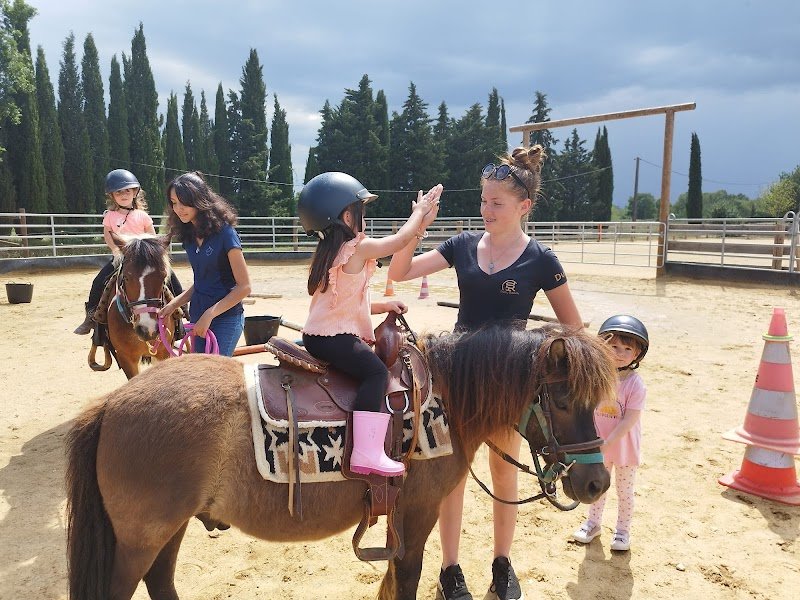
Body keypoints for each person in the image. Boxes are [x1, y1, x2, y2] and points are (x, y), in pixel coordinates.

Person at [388, 145, 583, 600]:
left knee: (503, 472)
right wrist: (418, 225)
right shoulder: (461, 246)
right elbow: (398, 270)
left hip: (506, 385)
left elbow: (572, 327)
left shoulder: (541, 259)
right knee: (450, 478)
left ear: (524, 207)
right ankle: (450, 570)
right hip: (455, 382)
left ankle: (501, 564)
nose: (486, 209)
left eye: (497, 202)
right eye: (483, 201)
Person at [298, 171, 442, 477]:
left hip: (321, 335)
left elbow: (346, 304)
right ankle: (365, 452)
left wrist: (384, 305)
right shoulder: (357, 248)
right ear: (348, 216)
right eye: (361, 211)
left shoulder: (331, 253)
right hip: (333, 337)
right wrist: (418, 214)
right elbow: (399, 240)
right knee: (375, 373)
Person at [572, 314, 648, 553]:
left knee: (624, 492)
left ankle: (623, 531)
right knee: (597, 486)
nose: (619, 352)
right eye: (613, 346)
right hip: (597, 446)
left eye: (627, 348)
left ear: (636, 355)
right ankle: (593, 524)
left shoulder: (636, 385)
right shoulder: (596, 377)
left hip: (622, 448)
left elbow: (629, 420)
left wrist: (607, 443)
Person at [74, 169, 183, 335]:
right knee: (99, 281)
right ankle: (91, 316)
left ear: (135, 192)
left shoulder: (142, 216)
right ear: (112, 196)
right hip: (122, 256)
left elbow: (152, 236)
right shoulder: (110, 216)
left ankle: (182, 309)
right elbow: (108, 235)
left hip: (143, 258)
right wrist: (116, 252)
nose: (123, 195)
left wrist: (153, 253)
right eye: (119, 192)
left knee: (170, 278)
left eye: (127, 191)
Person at [158, 172, 251, 356]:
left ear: (199, 200)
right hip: (198, 316)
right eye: (174, 203)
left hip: (225, 318)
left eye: (183, 202)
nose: (178, 209)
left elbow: (244, 287)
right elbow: (202, 282)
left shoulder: (226, 234)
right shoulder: (189, 237)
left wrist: (210, 314)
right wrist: (172, 305)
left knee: (213, 377)